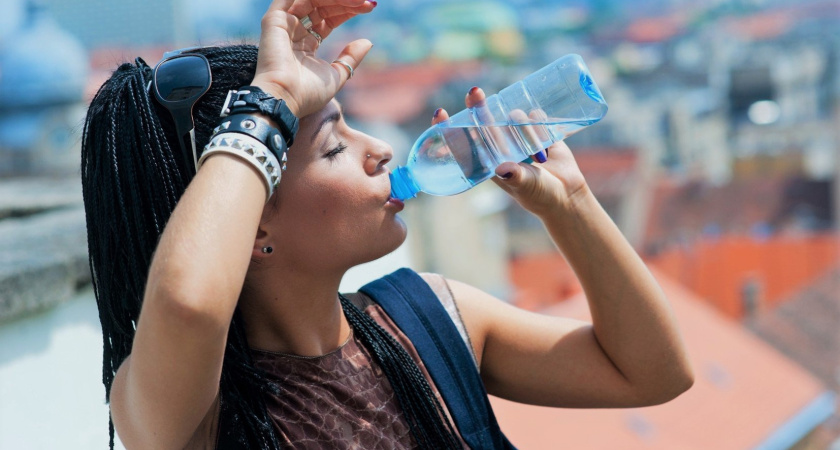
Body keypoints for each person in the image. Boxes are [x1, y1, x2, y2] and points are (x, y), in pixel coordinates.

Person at [81, 0, 694, 448]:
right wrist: (269, 99)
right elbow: (188, 305)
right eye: (332, 148)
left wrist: (573, 204)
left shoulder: (429, 318)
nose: (377, 149)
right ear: (253, 221)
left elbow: (653, 372)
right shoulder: (191, 416)